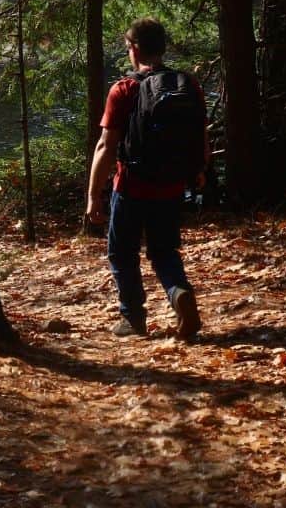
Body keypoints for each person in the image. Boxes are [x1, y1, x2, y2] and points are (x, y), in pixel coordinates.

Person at [85, 17, 205, 340]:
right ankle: (178, 292)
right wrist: (198, 174)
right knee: (164, 251)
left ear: (135, 49)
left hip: (130, 187)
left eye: (127, 48)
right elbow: (199, 137)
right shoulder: (188, 85)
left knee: (122, 253)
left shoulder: (124, 89)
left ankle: (133, 318)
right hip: (171, 186)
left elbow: (106, 147)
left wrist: (94, 195)